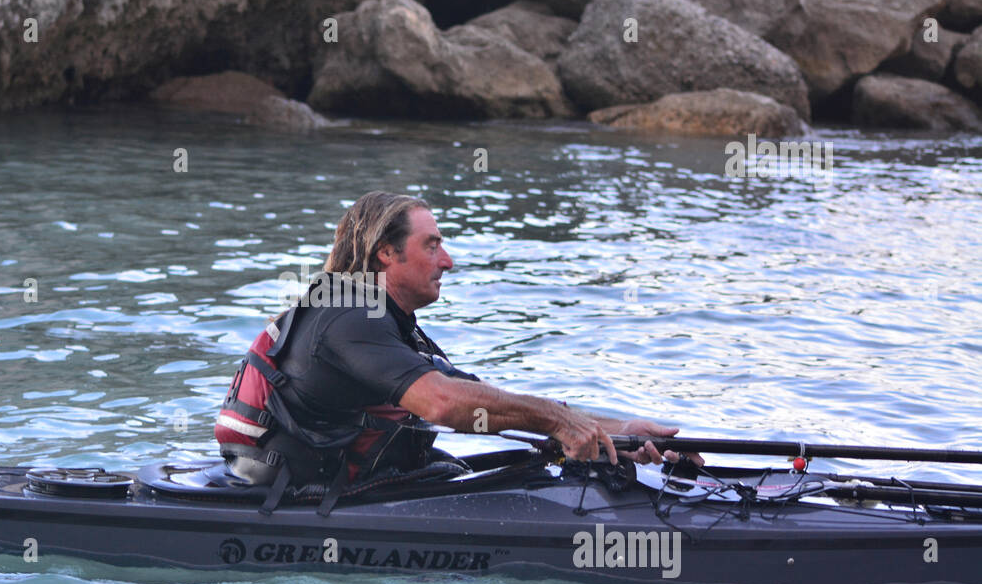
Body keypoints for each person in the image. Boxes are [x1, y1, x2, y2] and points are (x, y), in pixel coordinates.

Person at [215, 191, 700, 498]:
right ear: (386, 252)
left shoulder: (388, 323)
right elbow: (443, 404)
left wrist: (624, 435)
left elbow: (484, 400)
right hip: (296, 502)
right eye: (432, 245)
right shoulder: (347, 319)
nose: (447, 261)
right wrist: (557, 421)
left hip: (346, 486)